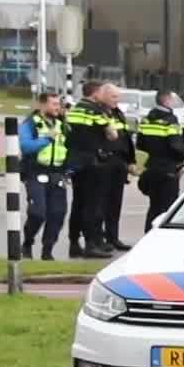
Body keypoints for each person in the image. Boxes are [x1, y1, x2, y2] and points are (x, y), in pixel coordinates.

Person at [64, 80, 133, 257]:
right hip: (93, 162)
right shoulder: (95, 110)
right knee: (92, 205)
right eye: (105, 93)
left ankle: (74, 242)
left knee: (79, 203)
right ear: (96, 93)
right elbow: (113, 135)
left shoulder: (76, 109)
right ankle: (91, 243)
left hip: (77, 161)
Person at [18, 92, 69, 261]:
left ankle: (48, 250)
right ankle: (27, 243)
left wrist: (69, 170)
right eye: (54, 104)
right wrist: (47, 139)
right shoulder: (30, 123)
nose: (57, 108)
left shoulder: (61, 124)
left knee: (57, 214)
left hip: (57, 174)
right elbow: (25, 146)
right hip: (36, 172)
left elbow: (70, 146)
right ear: (42, 105)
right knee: (38, 213)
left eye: (58, 104)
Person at [136, 90, 184, 233]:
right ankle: (163, 235)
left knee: (154, 205)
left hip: (152, 166)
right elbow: (176, 146)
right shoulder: (170, 120)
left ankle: (148, 233)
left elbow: (140, 144)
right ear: (167, 100)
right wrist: (181, 160)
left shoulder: (146, 120)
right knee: (168, 207)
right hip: (168, 168)